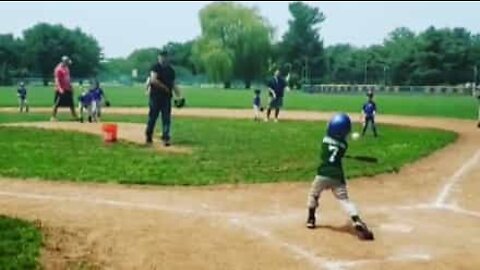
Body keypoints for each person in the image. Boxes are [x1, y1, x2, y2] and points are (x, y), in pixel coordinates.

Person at [306, 113, 374, 240]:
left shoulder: (325, 140)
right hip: (338, 176)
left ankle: (311, 219)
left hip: (322, 174)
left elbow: (329, 146)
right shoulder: (344, 145)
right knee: (344, 200)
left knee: (314, 194)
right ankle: (356, 219)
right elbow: (339, 148)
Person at [145, 50, 183, 147]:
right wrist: (165, 88)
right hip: (155, 96)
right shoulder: (155, 67)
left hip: (166, 98)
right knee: (153, 117)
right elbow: (153, 80)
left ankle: (166, 137)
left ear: (168, 58)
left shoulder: (171, 70)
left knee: (166, 118)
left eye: (165, 57)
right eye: (161, 56)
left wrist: (179, 95)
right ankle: (149, 136)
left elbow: (173, 84)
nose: (163, 58)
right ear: (159, 57)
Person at [51, 55, 78, 121]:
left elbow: (68, 78)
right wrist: (60, 89)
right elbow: (57, 80)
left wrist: (70, 85)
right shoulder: (58, 69)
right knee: (57, 103)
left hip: (67, 88)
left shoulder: (66, 68)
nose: (68, 63)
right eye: (67, 62)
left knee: (71, 103)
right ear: (64, 61)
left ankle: (74, 116)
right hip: (61, 89)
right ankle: (53, 117)